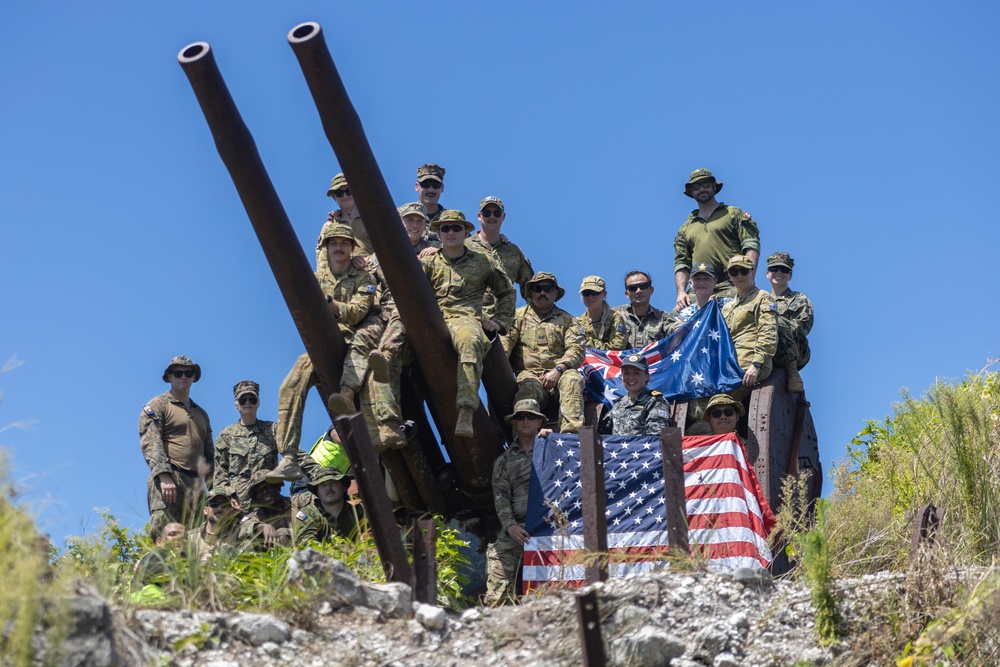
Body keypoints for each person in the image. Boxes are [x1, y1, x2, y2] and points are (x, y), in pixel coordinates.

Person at [376, 210, 515, 440]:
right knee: (387, 354)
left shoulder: (483, 262)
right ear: (438, 234)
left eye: (456, 228)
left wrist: (500, 321)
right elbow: (408, 291)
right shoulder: (428, 261)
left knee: (471, 341)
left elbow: (507, 291)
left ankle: (466, 409)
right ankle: (387, 421)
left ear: (466, 232)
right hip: (432, 322)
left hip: (464, 318)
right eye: (445, 228)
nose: (450, 232)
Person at [273, 223, 379, 481]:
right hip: (321, 346)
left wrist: (329, 302)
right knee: (290, 385)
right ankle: (288, 457)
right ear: (326, 248)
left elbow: (355, 314)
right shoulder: (316, 279)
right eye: (333, 243)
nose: (339, 247)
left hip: (352, 344)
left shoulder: (364, 279)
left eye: (344, 243)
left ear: (352, 248)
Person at [503, 272, 586, 433]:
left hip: (559, 376)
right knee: (527, 389)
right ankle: (522, 443)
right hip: (529, 375)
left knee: (573, 379)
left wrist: (559, 370)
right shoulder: (517, 317)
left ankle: (570, 436)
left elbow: (576, 349)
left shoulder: (568, 321)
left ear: (556, 293)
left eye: (547, 289)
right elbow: (505, 342)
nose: (542, 293)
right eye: (537, 288)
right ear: (530, 292)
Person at [139, 356, 213, 536]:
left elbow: (210, 455)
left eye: (188, 373)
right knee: (165, 535)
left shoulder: (201, 413)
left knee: (198, 539)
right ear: (169, 377)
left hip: (196, 484)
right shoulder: (158, 404)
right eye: (178, 373)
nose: (183, 377)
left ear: (194, 377)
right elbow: (151, 441)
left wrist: (214, 490)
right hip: (171, 478)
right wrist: (164, 476)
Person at [485, 399, 548, 606]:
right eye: (520, 416)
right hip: (518, 528)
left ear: (540, 422)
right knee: (497, 563)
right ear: (513, 423)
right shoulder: (504, 460)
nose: (525, 420)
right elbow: (501, 495)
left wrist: (555, 440)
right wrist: (510, 526)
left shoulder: (552, 449)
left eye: (531, 416)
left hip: (551, 527)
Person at [673, 168, 761, 311]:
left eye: (706, 185)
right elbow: (681, 263)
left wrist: (748, 276)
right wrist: (681, 292)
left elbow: (751, 244)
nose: (701, 189)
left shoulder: (733, 214)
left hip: (731, 283)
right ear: (691, 192)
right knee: (674, 322)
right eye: (696, 187)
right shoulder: (686, 227)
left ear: (714, 186)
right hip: (700, 286)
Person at [465, 196, 534, 322]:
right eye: (487, 213)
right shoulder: (465, 247)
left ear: (503, 217)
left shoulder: (513, 252)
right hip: (471, 319)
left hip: (504, 324)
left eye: (497, 213)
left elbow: (530, 290)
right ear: (479, 216)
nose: (492, 217)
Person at [213, 380, 278, 511]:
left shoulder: (272, 429)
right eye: (243, 400)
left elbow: (293, 455)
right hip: (240, 503)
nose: (248, 402)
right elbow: (220, 474)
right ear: (236, 404)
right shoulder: (227, 435)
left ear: (258, 402)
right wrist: (228, 497)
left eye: (252, 399)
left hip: (268, 499)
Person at [721, 255, 778, 399]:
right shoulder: (727, 307)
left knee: (716, 400)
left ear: (753, 272)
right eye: (734, 272)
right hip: (729, 364)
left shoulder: (762, 298)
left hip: (750, 363)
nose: (739, 275)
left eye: (744, 271)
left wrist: (756, 364)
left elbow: (768, 333)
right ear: (729, 276)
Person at [766, 252, 813, 394]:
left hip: (795, 349)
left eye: (784, 269)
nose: (779, 272)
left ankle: (792, 373)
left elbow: (803, 327)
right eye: (774, 269)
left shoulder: (799, 298)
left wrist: (774, 328)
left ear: (790, 275)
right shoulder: (761, 299)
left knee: (775, 320)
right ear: (767, 274)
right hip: (765, 346)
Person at [600, 354, 672, 436]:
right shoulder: (619, 404)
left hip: (643, 448)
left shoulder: (655, 401)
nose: (631, 377)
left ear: (647, 376)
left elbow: (656, 437)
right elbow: (603, 434)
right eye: (626, 373)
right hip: (617, 448)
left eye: (636, 373)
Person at [292, 467, 365, 546]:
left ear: (343, 487)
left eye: (332, 483)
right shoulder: (308, 514)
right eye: (323, 485)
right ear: (318, 492)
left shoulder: (358, 510)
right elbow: (304, 540)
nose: (329, 488)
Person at [613, 271, 675, 349]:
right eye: (633, 288)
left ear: (651, 290)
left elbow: (679, 329)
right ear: (627, 294)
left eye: (643, 286)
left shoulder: (662, 317)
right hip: (622, 360)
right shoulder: (615, 314)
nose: (638, 291)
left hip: (653, 360)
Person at [322, 172, 373, 266]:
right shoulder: (330, 225)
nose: (345, 196)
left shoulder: (373, 218)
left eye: (348, 191)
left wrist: (369, 260)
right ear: (334, 197)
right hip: (343, 276)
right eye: (339, 193)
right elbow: (322, 257)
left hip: (374, 270)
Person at [131, 521, 186, 601]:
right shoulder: (155, 556)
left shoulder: (179, 561)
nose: (179, 538)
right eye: (172, 534)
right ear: (159, 542)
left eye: (183, 536)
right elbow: (170, 575)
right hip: (149, 605)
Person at [238, 471, 293, 550]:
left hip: (302, 547)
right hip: (272, 555)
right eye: (259, 491)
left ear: (278, 486)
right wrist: (262, 526)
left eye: (268, 487)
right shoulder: (257, 516)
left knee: (282, 533)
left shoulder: (295, 502)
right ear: (256, 498)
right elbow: (243, 527)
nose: (265, 492)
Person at [575, 276, 627, 350]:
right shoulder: (577, 322)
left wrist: (587, 342)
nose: (590, 297)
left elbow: (617, 348)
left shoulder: (614, 318)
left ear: (604, 294)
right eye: (586, 293)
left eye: (594, 293)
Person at [188, 489, 239, 562]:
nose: (220, 508)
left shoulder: (239, 535)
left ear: (231, 511)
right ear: (205, 510)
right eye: (214, 504)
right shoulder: (191, 538)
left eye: (225, 505)